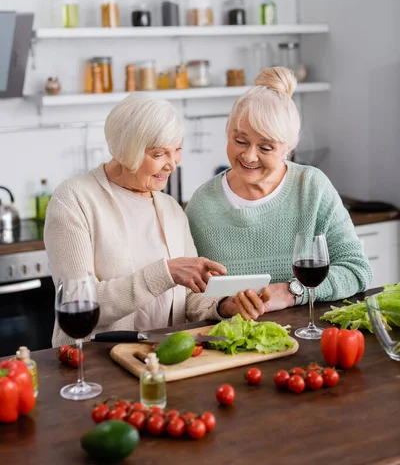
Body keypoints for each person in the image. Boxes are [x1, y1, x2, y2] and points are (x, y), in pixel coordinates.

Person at [45, 95, 242, 347]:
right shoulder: (74, 200)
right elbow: (79, 303)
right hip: (92, 362)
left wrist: (225, 306)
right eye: (159, 154)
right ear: (128, 152)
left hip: (164, 358)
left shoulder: (170, 209)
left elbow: (188, 300)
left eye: (177, 149)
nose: (172, 164)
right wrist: (165, 272)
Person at [186, 67, 372, 321]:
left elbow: (357, 270)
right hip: (235, 345)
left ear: (289, 148)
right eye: (240, 141)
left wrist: (291, 291)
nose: (249, 156)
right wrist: (223, 306)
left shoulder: (311, 187)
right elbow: (187, 295)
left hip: (309, 338)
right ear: (227, 132)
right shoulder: (202, 205)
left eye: (265, 147)